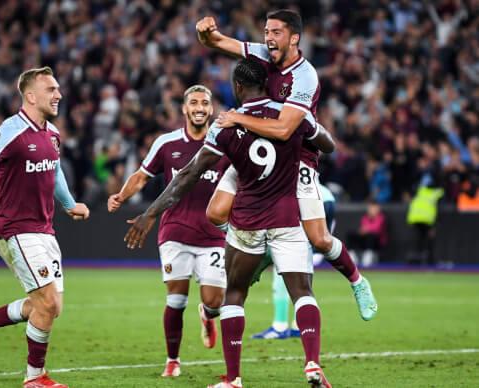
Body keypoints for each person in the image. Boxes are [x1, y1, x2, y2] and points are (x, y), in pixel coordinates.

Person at [124, 59, 332, 388]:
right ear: (267, 83)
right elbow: (328, 145)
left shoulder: (227, 126)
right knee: (303, 292)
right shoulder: (293, 115)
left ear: (237, 87)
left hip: (247, 222)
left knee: (233, 296)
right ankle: (312, 364)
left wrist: (151, 213)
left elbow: (188, 175)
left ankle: (233, 379)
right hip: (287, 218)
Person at [196, 9, 377, 321]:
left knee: (319, 239)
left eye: (276, 32)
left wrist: (238, 116)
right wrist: (204, 31)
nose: (268, 38)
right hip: (257, 153)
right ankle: (259, 252)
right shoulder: (264, 53)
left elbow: (283, 129)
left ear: (294, 38)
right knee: (215, 211)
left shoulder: (305, 76)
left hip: (296, 157)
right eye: (267, 31)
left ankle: (357, 282)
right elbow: (218, 42)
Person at [0, 67, 90, 388]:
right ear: (31, 96)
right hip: (15, 228)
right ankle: (34, 378)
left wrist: (69, 204)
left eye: (58, 89)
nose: (59, 94)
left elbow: (56, 173)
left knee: (50, 307)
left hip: (44, 229)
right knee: (47, 303)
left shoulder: (52, 134)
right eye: (51, 89)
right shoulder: (10, 130)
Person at [108, 85, 230, 378]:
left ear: (211, 110)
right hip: (174, 231)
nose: (199, 107)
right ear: (185, 109)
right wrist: (121, 196)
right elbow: (142, 175)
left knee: (214, 302)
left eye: (204, 103)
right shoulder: (167, 143)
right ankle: (173, 360)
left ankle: (207, 315)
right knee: (176, 298)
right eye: (193, 103)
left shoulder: (224, 144)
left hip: (214, 233)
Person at [207, 169, 338, 339]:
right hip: (317, 205)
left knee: (281, 270)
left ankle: (280, 325)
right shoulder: (324, 190)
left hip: (294, 211)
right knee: (301, 278)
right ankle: (297, 326)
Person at [347, 201, 388, 267]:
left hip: (377, 241)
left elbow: (376, 229)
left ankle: (368, 257)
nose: (372, 210)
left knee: (371, 236)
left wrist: (366, 230)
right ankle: (352, 255)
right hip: (366, 239)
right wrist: (361, 231)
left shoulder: (381, 217)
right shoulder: (365, 217)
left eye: (374, 208)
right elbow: (363, 228)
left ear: (378, 209)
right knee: (351, 234)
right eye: (370, 208)